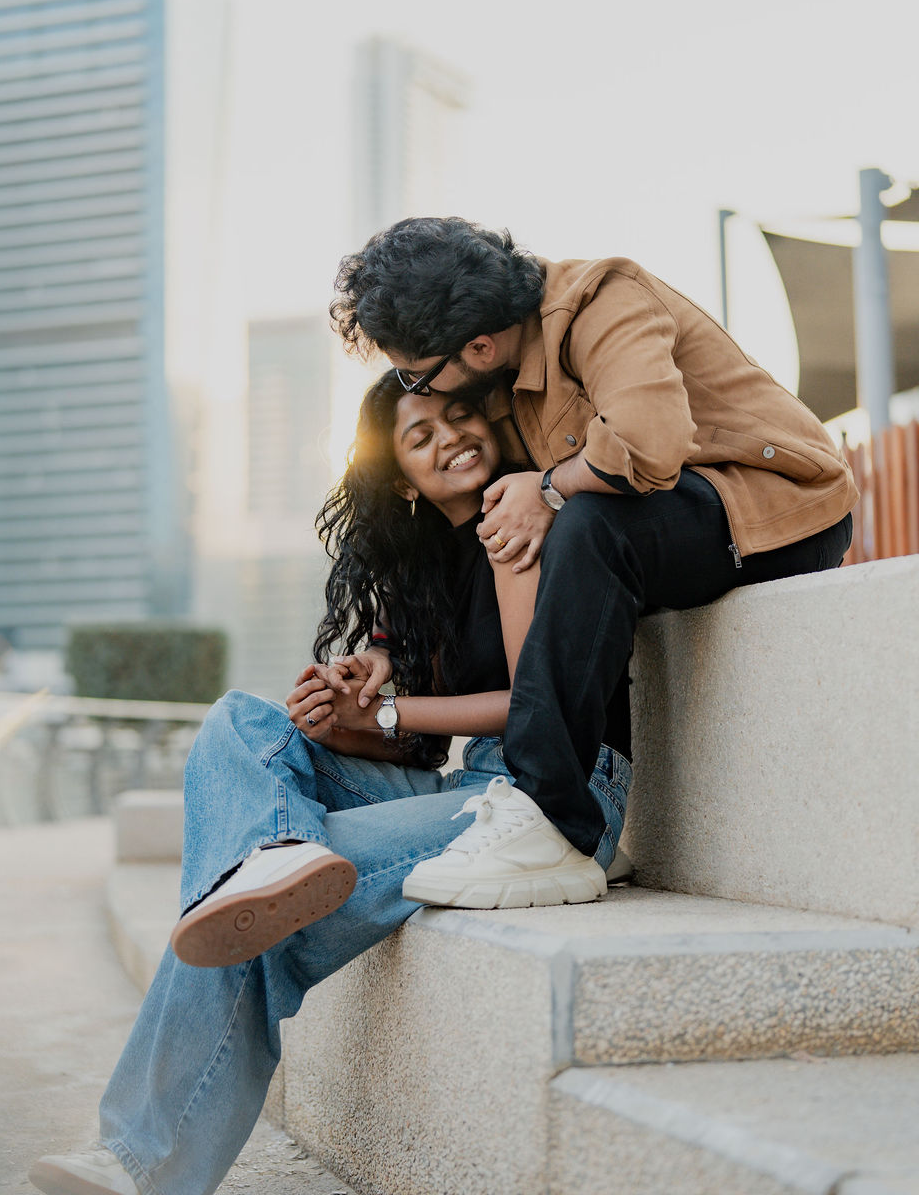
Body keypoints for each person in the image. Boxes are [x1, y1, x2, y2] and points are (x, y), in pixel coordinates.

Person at [29, 372, 632, 1195]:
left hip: (552, 792)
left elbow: (538, 701)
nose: (447, 439)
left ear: (494, 417)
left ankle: (145, 1159)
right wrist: (351, 702)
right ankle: (272, 855)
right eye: (418, 437)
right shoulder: (422, 569)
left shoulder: (519, 519)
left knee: (253, 912)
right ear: (400, 476)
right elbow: (403, 725)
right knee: (243, 728)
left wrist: (383, 709)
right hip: (476, 787)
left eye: (458, 415)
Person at [328, 216, 858, 901]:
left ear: (480, 346)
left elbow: (648, 442)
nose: (416, 386)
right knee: (576, 531)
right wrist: (386, 649)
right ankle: (583, 828)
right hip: (670, 526)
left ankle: (552, 820)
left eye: (414, 372)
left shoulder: (601, 300)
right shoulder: (500, 376)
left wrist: (547, 487)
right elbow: (452, 498)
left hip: (775, 512)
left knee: (587, 520)